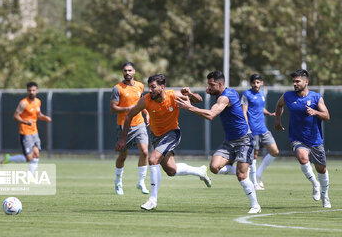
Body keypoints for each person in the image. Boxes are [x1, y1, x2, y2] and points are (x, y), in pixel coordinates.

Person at [115, 74, 211, 210]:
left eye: (153, 87)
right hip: (156, 137)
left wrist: (190, 94)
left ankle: (152, 200)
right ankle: (200, 171)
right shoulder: (146, 100)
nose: (150, 90)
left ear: (162, 87)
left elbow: (199, 99)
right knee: (171, 170)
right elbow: (130, 115)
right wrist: (123, 138)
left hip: (172, 134)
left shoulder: (173, 95)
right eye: (149, 87)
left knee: (153, 159)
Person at [176, 70, 261, 214]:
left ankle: (255, 205)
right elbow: (200, 99)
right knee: (214, 167)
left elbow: (210, 115)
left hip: (244, 140)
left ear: (220, 84)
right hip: (230, 141)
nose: (208, 87)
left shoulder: (225, 98)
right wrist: (190, 95)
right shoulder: (224, 93)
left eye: (211, 84)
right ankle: (244, 169)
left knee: (241, 176)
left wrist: (189, 107)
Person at [275, 69, 331, 208]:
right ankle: (315, 184)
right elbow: (279, 105)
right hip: (297, 138)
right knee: (302, 157)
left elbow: (327, 116)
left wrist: (316, 112)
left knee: (322, 170)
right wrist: (277, 120)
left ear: (306, 82)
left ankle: (325, 195)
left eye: (297, 81)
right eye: (293, 81)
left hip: (315, 139)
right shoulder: (288, 96)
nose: (295, 84)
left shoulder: (316, 97)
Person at [110, 62, 150, 195]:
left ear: (134, 71)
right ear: (122, 72)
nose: (127, 73)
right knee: (123, 156)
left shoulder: (140, 86)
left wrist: (147, 113)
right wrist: (128, 109)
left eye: (130, 70)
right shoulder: (118, 88)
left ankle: (141, 182)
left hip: (139, 124)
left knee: (144, 152)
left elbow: (142, 102)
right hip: (124, 126)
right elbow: (113, 108)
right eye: (125, 71)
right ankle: (118, 182)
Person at [0, 82, 52, 174]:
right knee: (28, 158)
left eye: (33, 90)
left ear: (37, 91)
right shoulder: (23, 103)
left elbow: (38, 114)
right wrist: (25, 122)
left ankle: (30, 177)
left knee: (36, 154)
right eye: (29, 90)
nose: (31, 92)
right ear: (27, 91)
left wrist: (45, 118)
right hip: (25, 133)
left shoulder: (38, 102)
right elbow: (15, 116)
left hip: (35, 132)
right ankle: (9, 159)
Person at [241, 74, 279, 190]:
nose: (256, 84)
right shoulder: (246, 94)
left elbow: (260, 108)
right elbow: (244, 112)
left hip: (263, 129)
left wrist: (268, 113)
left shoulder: (262, 94)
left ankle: (258, 173)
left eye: (258, 82)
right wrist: (247, 128)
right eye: (253, 82)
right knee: (254, 156)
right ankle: (254, 183)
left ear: (262, 83)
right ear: (251, 83)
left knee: (275, 151)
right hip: (253, 130)